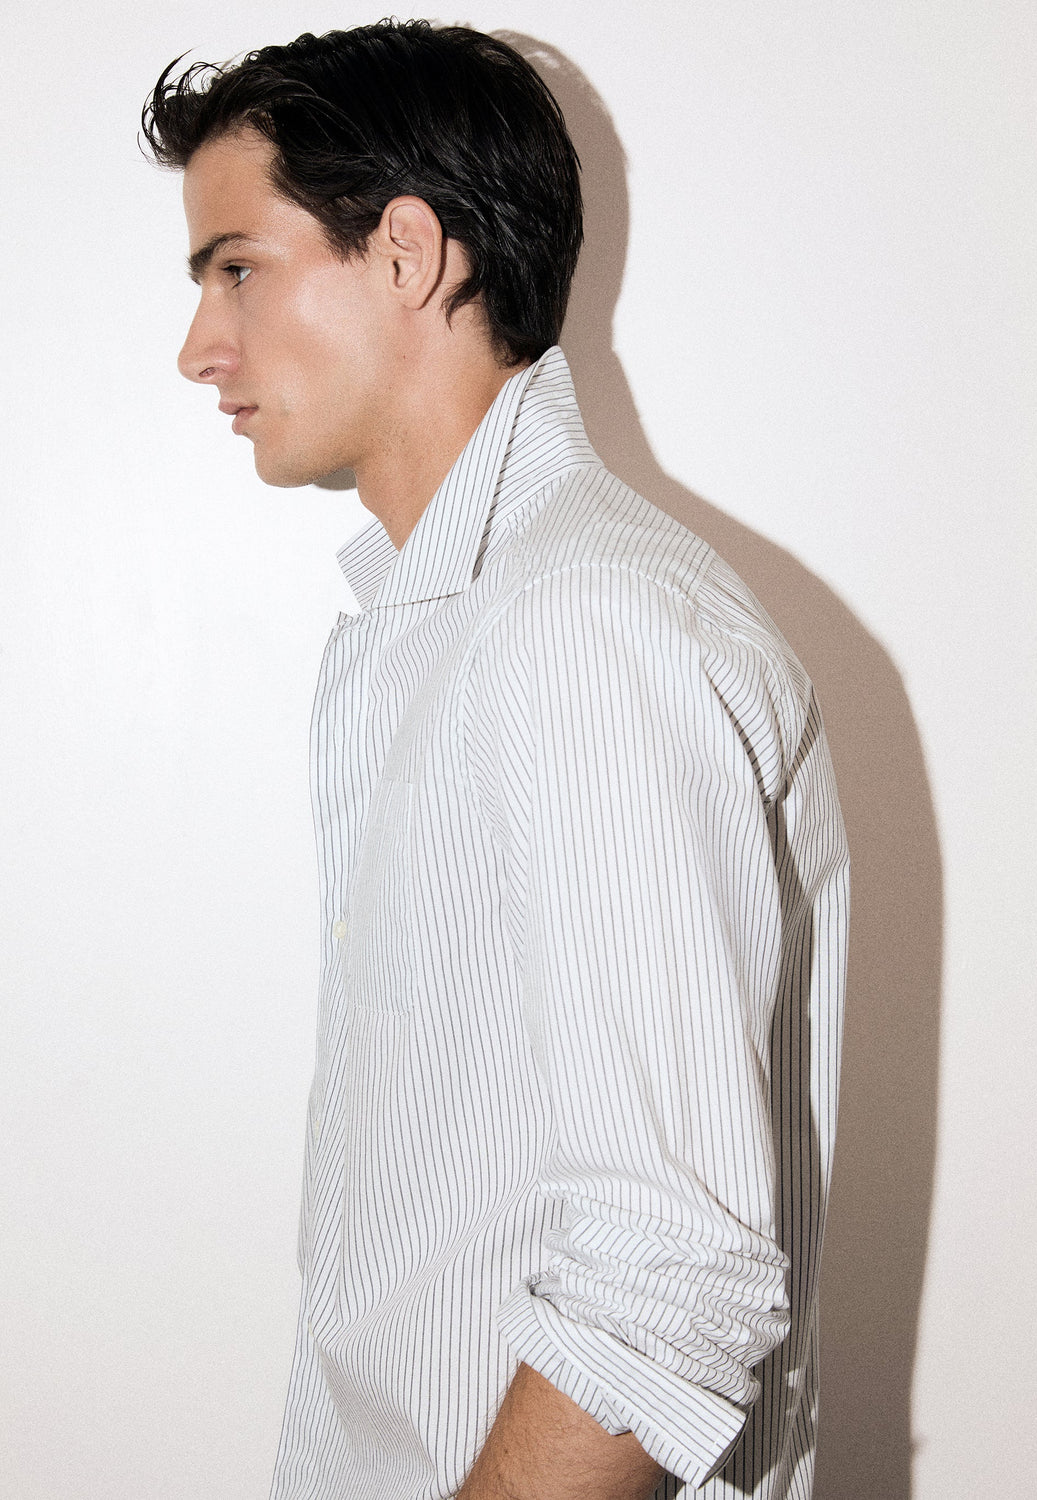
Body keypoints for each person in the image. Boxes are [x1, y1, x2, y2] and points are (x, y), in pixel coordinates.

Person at [143, 20, 848, 1500]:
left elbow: (667, 1280)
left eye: (237, 267)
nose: (201, 344)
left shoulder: (582, 626)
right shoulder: (459, 625)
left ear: (407, 254)